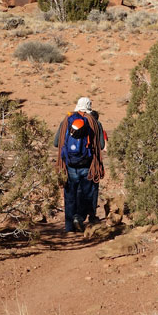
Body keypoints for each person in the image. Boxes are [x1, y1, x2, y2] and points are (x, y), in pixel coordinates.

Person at [54, 97, 104, 233]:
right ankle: (79, 217)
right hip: (88, 165)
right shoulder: (94, 122)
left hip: (69, 165)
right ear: (89, 107)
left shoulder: (66, 120)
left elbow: (56, 143)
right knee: (86, 194)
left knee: (70, 195)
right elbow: (102, 145)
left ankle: (69, 227)